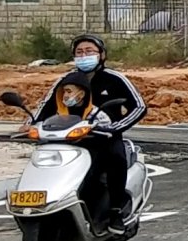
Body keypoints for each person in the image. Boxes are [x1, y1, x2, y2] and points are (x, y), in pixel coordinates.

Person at [38, 33, 145, 230]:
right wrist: (31, 125)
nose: (83, 55)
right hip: (69, 139)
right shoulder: (65, 80)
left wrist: (114, 128)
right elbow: (46, 107)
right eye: (79, 52)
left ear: (101, 55)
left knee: (115, 158)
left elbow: (139, 107)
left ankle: (115, 211)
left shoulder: (114, 79)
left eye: (89, 51)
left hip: (103, 139)